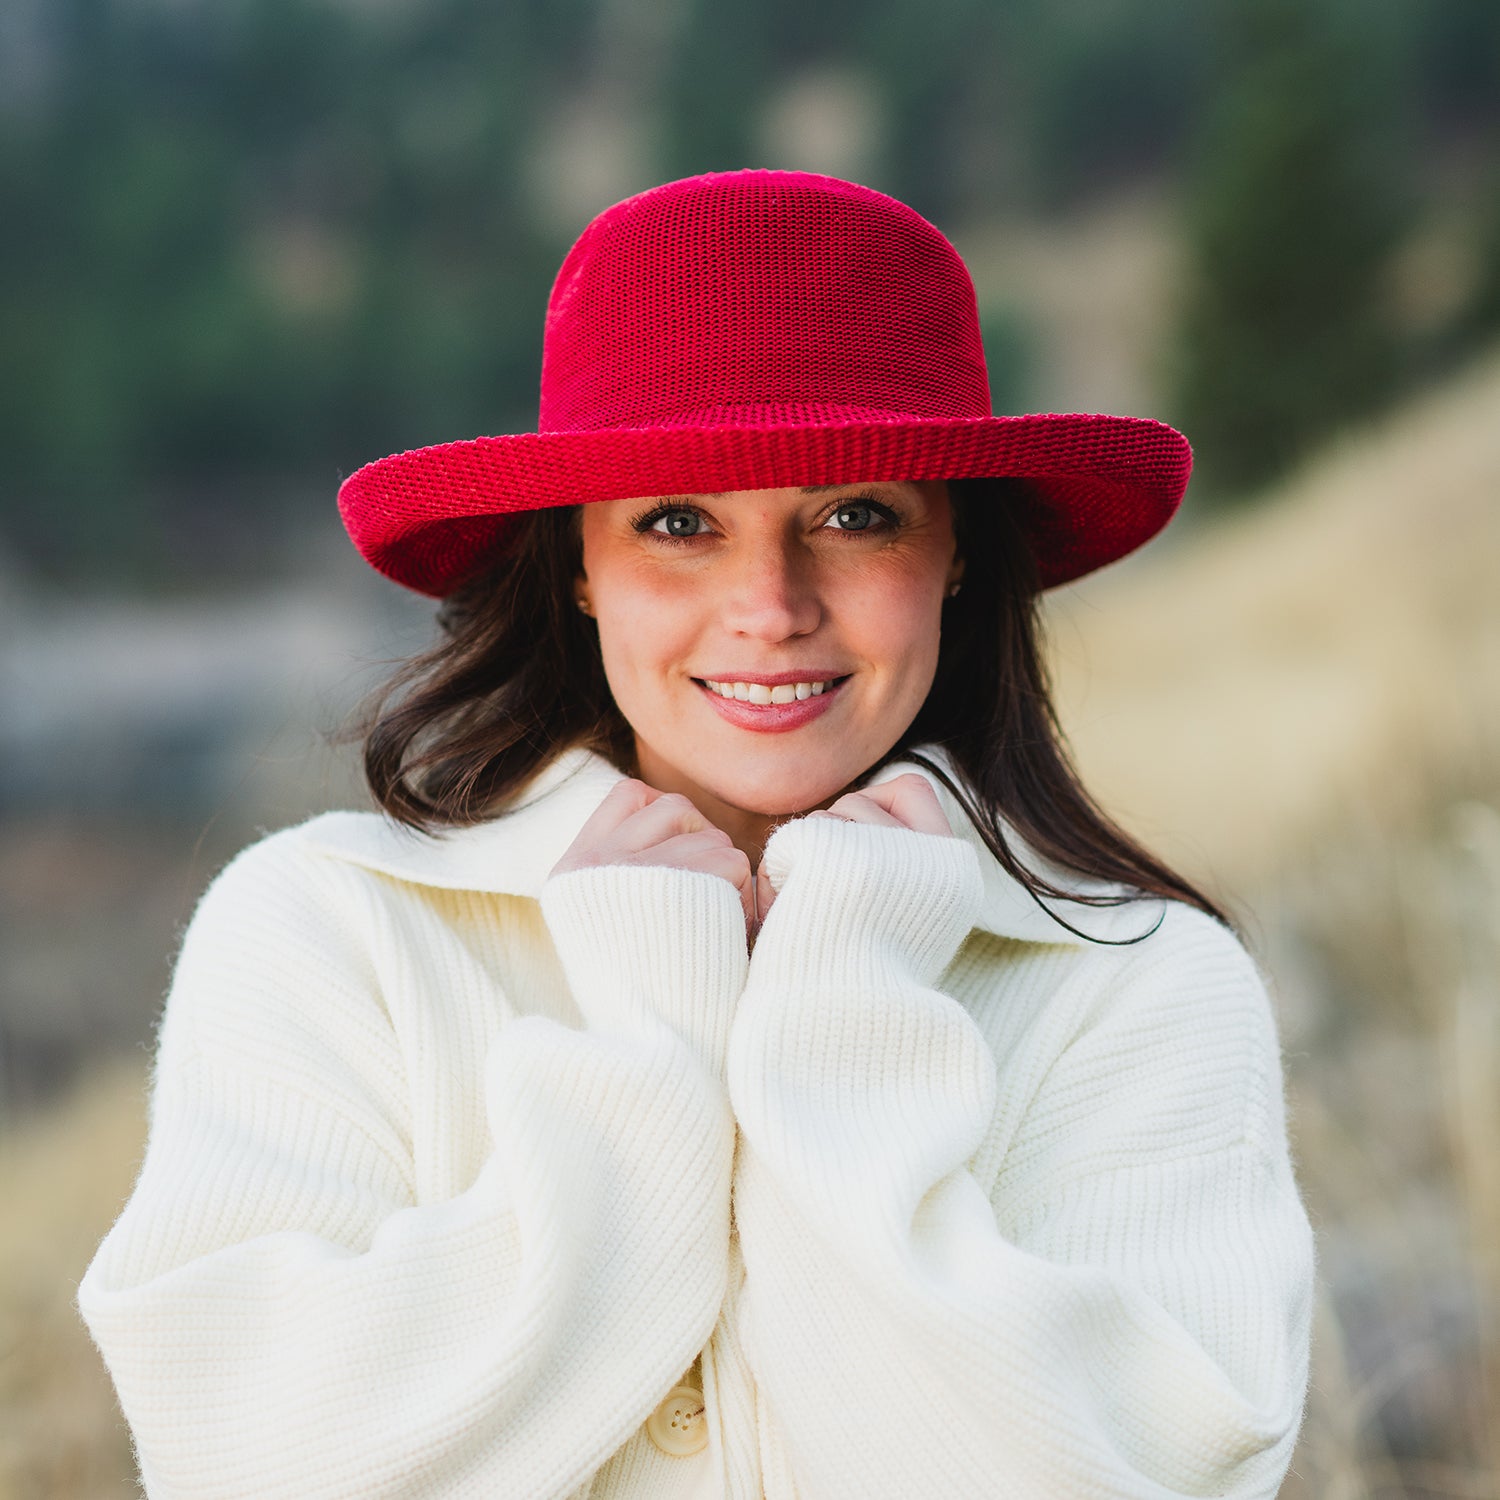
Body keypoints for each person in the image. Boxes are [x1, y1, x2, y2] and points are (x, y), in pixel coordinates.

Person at [79, 169, 1315, 1499]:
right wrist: (651, 1048)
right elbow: (243, 1461)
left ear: (956, 545)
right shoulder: (328, 931)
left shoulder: (1140, 981)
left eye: (855, 515)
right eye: (678, 523)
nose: (770, 606)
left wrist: (843, 1012)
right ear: (577, 561)